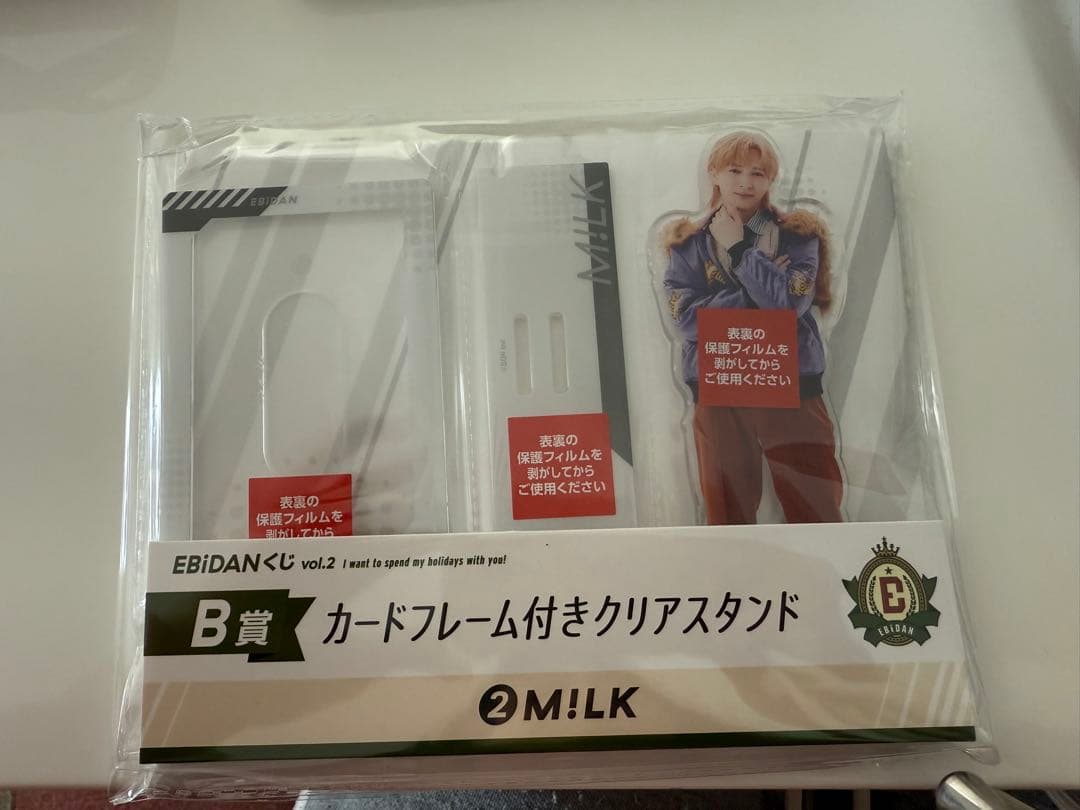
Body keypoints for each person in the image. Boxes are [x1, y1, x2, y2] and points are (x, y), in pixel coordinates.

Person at [662, 131, 844, 525]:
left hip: (790, 380)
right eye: (734, 170)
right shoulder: (687, 244)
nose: (746, 182)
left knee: (816, 506)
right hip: (718, 381)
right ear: (714, 174)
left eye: (758, 173)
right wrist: (757, 287)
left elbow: (788, 306)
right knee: (727, 513)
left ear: (771, 180)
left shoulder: (798, 236)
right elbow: (686, 321)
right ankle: (735, 567)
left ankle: (827, 565)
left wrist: (741, 250)